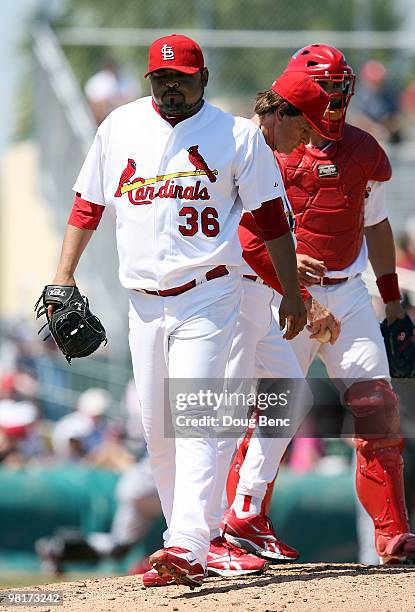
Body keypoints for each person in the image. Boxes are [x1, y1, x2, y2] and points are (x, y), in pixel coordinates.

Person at [45, 33, 307, 588]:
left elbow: (271, 220)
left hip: (210, 292)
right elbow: (87, 203)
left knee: (195, 416)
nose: (170, 85)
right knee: (155, 429)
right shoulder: (121, 126)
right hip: (142, 301)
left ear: (202, 78)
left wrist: (290, 291)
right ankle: (183, 538)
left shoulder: (234, 135)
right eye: (161, 77)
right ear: (150, 80)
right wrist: (62, 274)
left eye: (181, 77)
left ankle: (189, 542)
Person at [222, 44, 415, 565]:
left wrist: (392, 303)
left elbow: (375, 224)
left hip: (347, 288)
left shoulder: (362, 150)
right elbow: (244, 229)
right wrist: (297, 289)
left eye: (339, 89)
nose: (334, 100)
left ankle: (393, 535)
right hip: (278, 288)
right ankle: (241, 523)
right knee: (275, 407)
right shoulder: (259, 144)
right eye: (324, 89)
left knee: (377, 405)